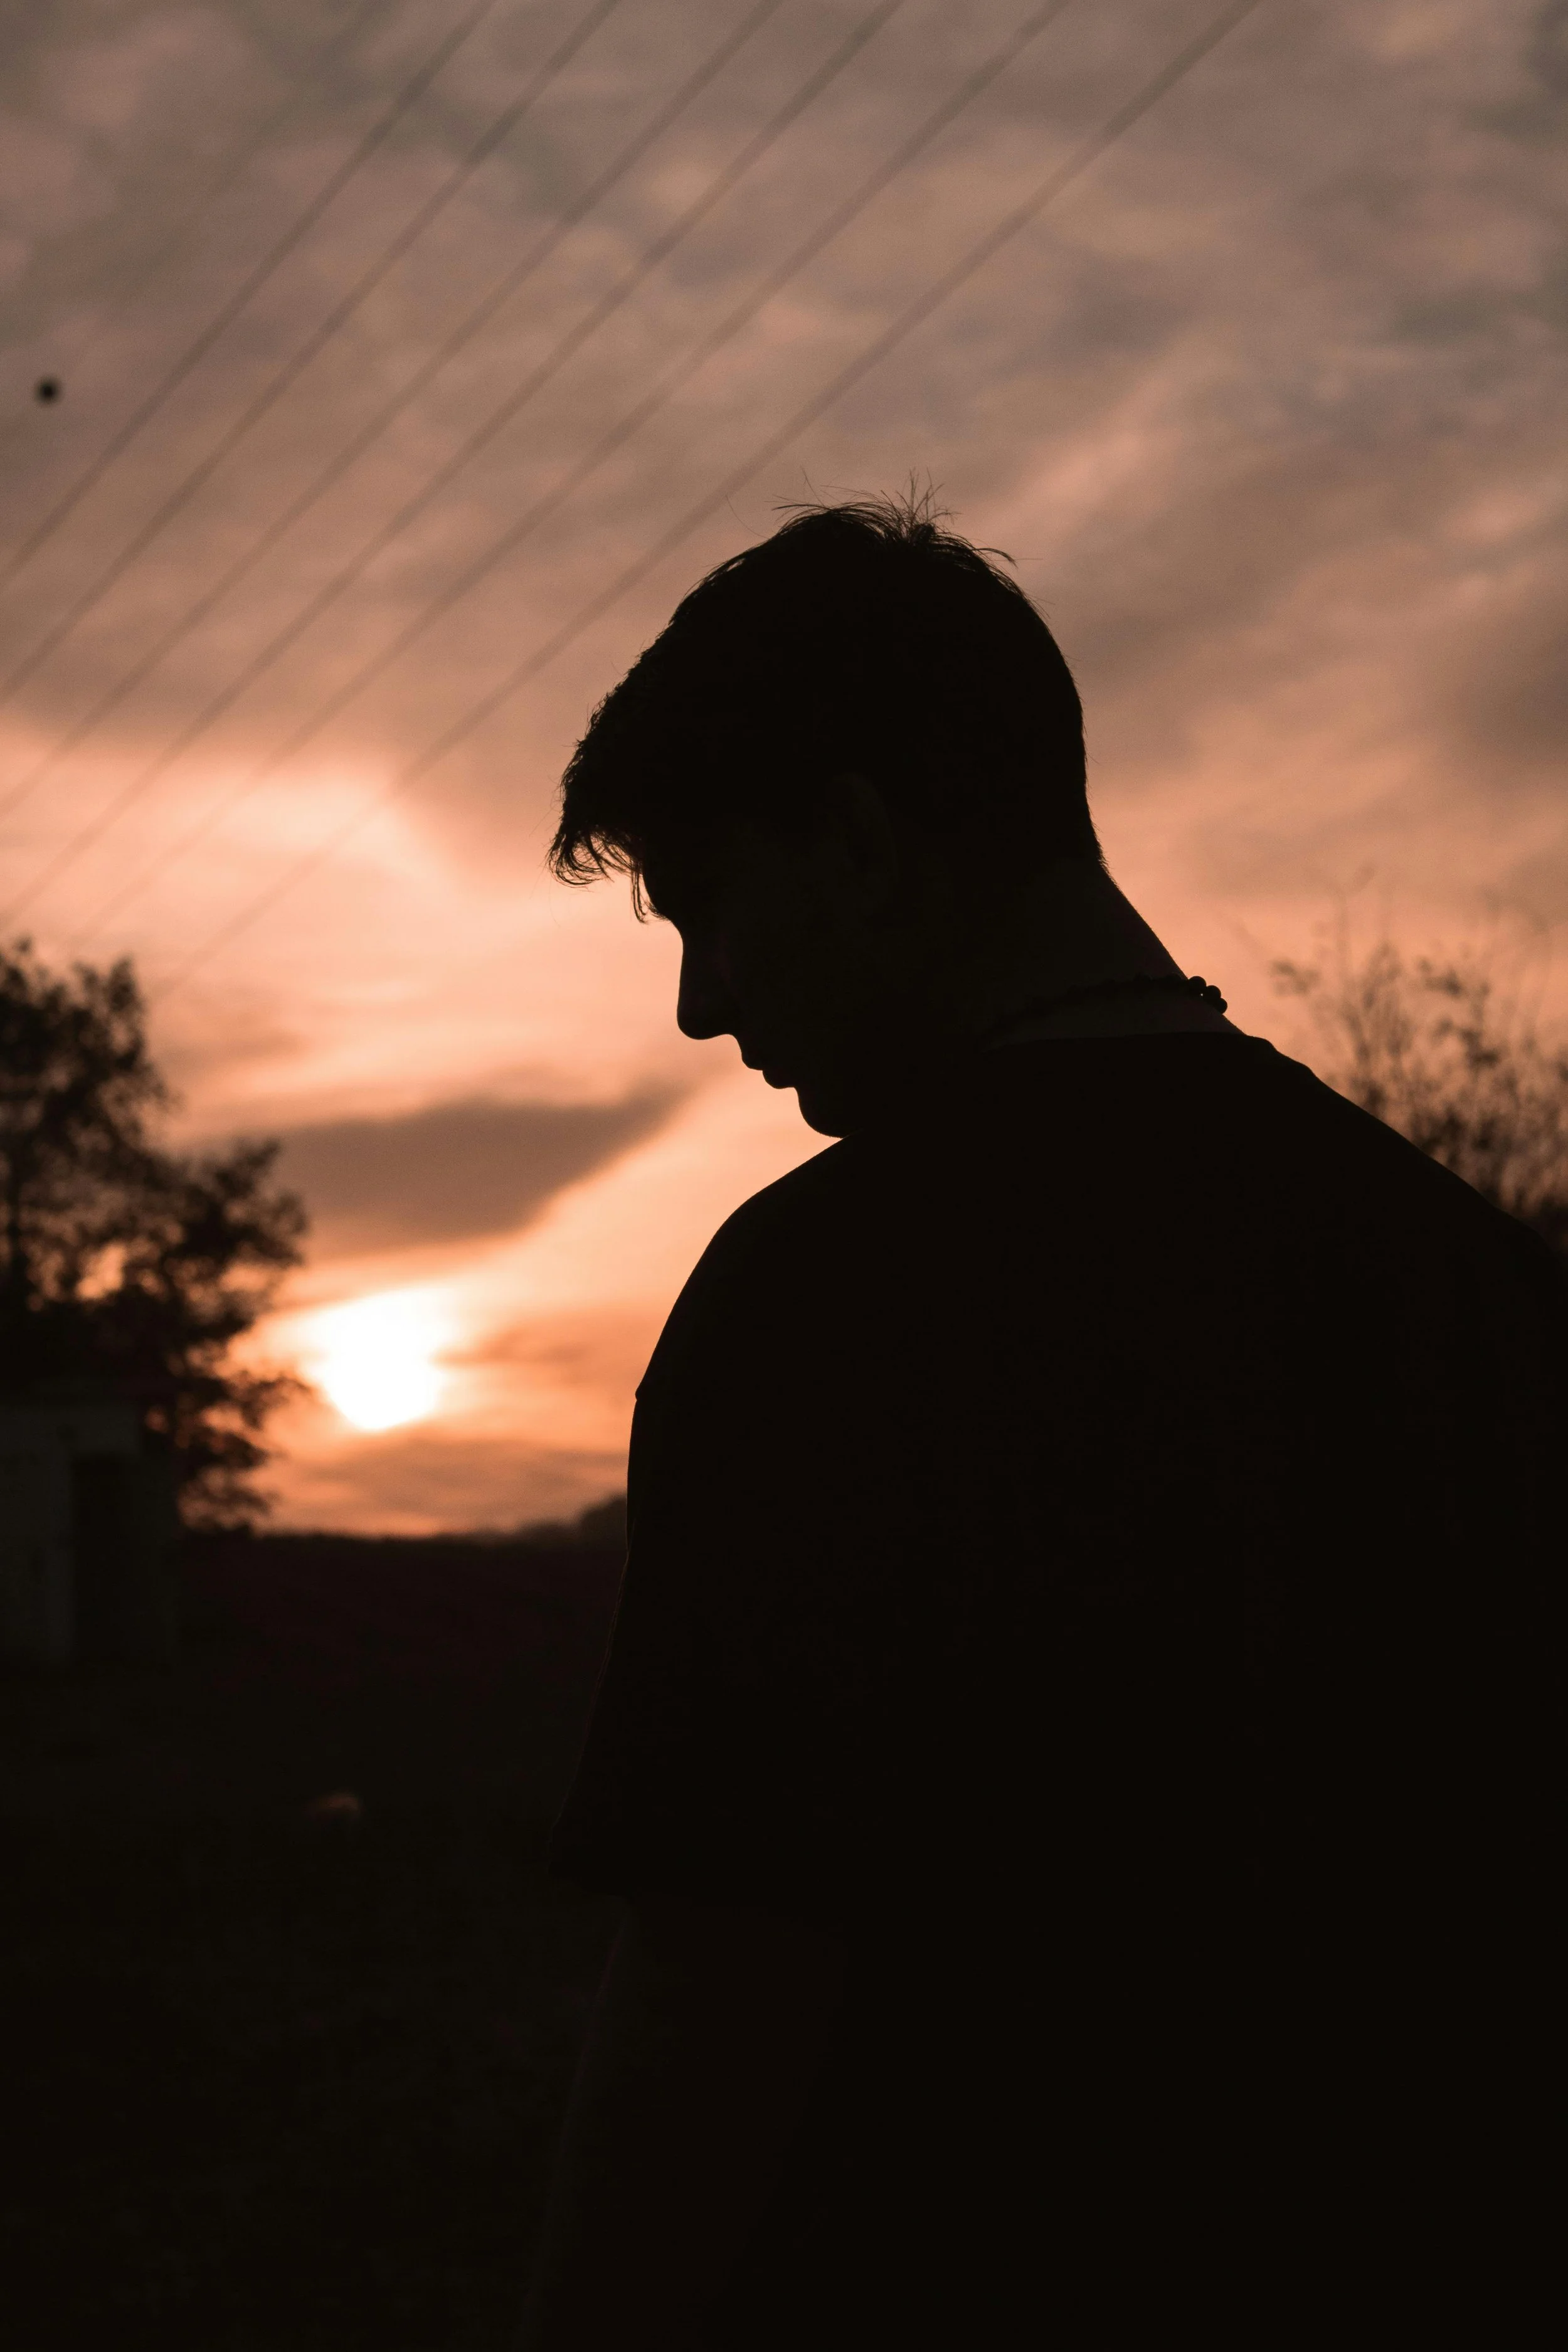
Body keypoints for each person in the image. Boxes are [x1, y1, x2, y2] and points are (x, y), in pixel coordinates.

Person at [517, 495, 1561, 2349]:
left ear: (855, 842)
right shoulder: (1466, 1276)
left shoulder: (817, 1301)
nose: (696, 1008)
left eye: (706, 917)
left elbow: (712, 1998)